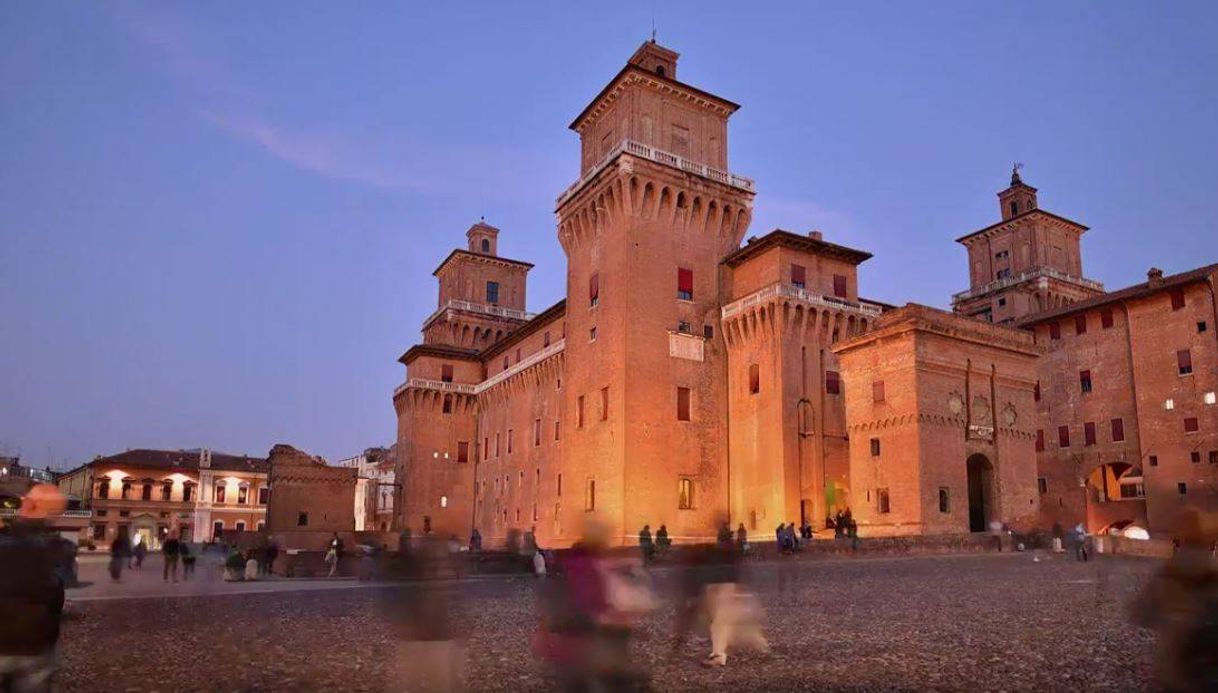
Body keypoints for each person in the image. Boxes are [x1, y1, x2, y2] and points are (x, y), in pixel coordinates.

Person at [1130, 509, 1218, 691]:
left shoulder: (1167, 573)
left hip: (1173, 671)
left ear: (1181, 539)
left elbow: (1141, 615)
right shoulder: (1214, 573)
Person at [0, 484, 69, 692]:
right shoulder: (57, 549)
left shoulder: (6, 540)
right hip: (36, 646)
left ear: (30, 506)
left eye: (25, 500)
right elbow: (56, 599)